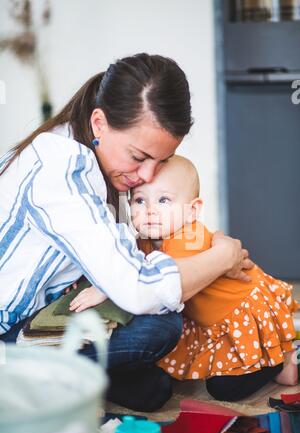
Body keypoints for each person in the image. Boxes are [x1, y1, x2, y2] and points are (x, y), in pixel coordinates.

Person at [0, 53, 252, 411]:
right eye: (138, 156)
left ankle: (85, 377)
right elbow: (137, 288)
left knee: (152, 370)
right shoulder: (61, 169)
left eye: (161, 161)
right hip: (7, 332)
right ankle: (38, 381)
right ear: (99, 123)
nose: (147, 177)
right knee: (160, 327)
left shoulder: (97, 154)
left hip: (42, 309)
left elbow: (124, 259)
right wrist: (222, 256)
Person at [77, 155, 299, 402]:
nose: (150, 211)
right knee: (177, 366)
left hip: (240, 314)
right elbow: (125, 261)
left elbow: (155, 278)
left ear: (192, 210)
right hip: (209, 320)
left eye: (163, 200)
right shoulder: (145, 238)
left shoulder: (188, 237)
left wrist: (108, 287)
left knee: (224, 389)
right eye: (140, 200)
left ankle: (281, 358)